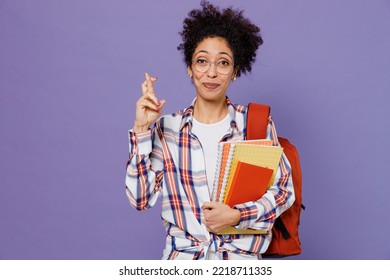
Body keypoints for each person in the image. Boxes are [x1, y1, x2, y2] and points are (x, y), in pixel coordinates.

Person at [125, 1, 295, 260]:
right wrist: (141, 129)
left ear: (235, 71)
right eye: (202, 61)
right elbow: (140, 199)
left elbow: (284, 190)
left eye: (223, 63)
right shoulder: (168, 129)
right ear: (190, 69)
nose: (211, 72)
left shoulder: (255, 123)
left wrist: (238, 215)